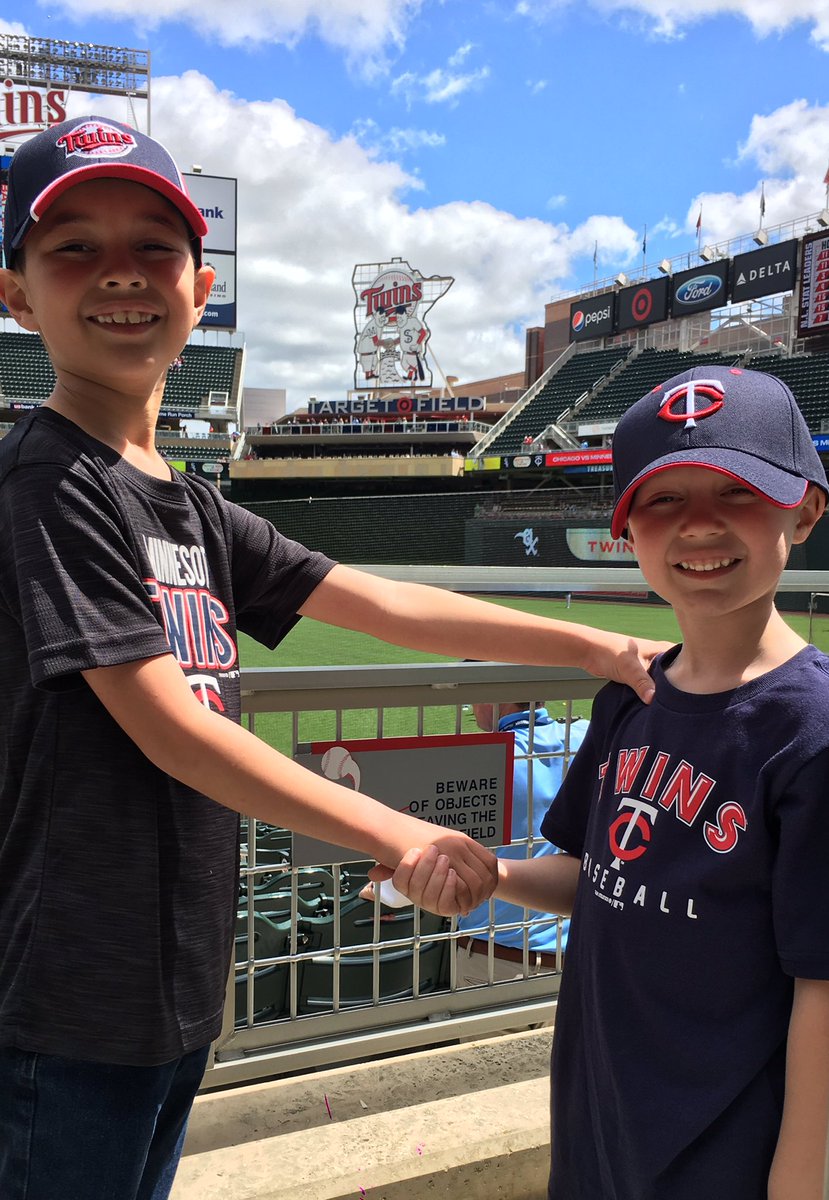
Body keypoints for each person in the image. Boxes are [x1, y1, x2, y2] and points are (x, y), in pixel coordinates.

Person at [0, 115, 665, 1200]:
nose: (118, 275)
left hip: (165, 986)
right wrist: (401, 833)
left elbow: (389, 604)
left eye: (152, 248)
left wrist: (595, 642)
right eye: (73, 247)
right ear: (18, 295)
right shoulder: (48, 482)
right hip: (71, 994)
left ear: (199, 287)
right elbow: (173, 731)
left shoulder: (190, 506)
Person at [391, 364, 829, 1199]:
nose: (698, 527)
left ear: (803, 509)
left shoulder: (810, 731)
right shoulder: (631, 698)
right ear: (627, 530)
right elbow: (597, 877)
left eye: (736, 492)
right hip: (600, 1118)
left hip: (729, 1149)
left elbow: (821, 984)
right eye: (663, 501)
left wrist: (800, 1181)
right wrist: (495, 875)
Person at [456, 699, 588, 986]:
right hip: (578, 962)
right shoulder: (587, 738)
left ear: (494, 696)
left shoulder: (477, 759)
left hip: (491, 960)